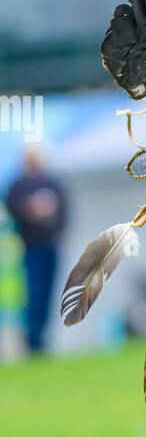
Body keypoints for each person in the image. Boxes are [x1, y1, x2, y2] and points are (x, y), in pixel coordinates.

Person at [4, 147, 67, 353]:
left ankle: (42, 337)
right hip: (31, 246)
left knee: (49, 292)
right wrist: (30, 208)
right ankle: (33, 339)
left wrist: (60, 231)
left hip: (50, 246)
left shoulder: (52, 182)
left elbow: (64, 211)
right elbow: (13, 207)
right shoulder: (18, 186)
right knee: (35, 291)